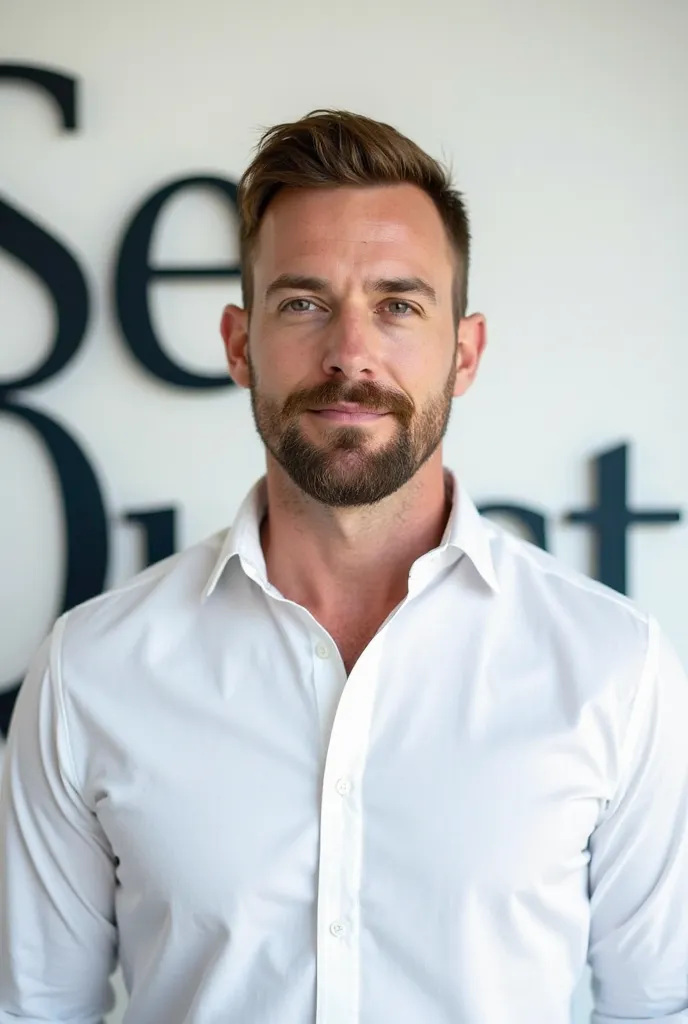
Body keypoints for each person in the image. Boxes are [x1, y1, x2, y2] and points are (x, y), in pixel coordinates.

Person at [1, 109, 687, 1024]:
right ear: (240, 345)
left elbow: (662, 1006)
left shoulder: (615, 666)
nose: (350, 355)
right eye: (304, 303)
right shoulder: (90, 669)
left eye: (398, 305)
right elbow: (33, 1010)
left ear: (466, 352)